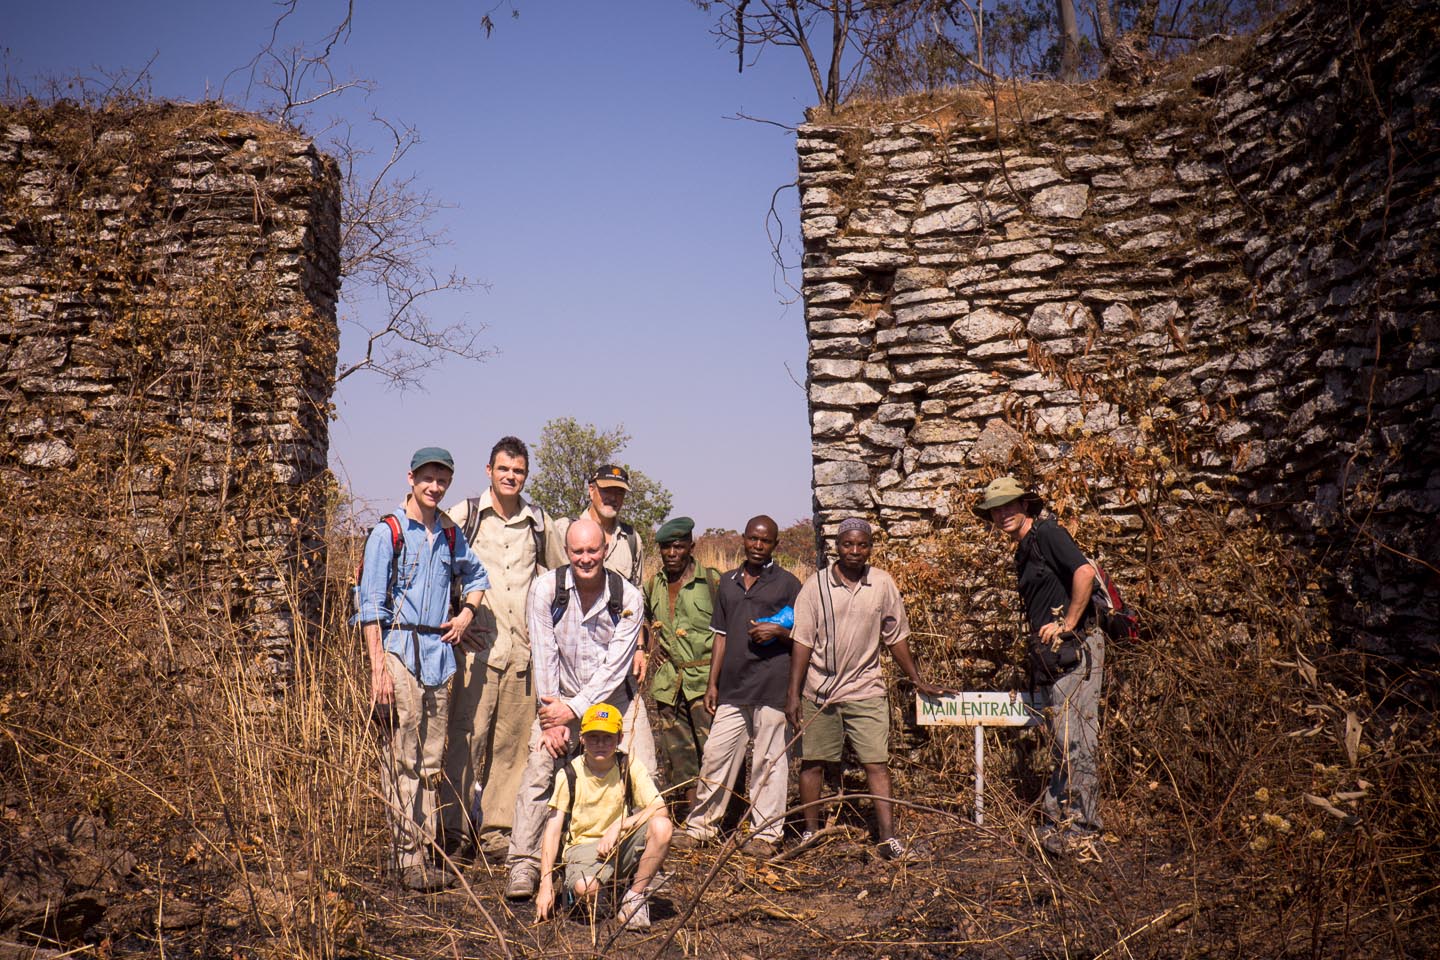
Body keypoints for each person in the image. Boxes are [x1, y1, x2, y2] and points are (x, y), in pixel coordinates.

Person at [354, 447, 490, 891]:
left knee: (431, 760)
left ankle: (426, 851)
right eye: (428, 478)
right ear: (411, 477)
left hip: (438, 652)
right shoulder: (389, 532)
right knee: (403, 756)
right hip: (399, 650)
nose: (435, 487)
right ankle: (406, 856)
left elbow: (478, 578)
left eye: (443, 480)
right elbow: (370, 607)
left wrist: (467, 614)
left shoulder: (450, 535)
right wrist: (378, 670)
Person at [786, 518, 950, 860]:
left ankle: (888, 838)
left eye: (862, 545)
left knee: (876, 763)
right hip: (820, 690)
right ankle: (810, 832)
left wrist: (916, 678)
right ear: (837, 546)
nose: (855, 551)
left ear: (869, 548)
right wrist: (794, 694)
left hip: (867, 689)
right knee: (813, 763)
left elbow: (896, 636)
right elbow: (802, 642)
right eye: (848, 544)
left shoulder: (882, 584)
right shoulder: (815, 587)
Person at [504, 518, 652, 900]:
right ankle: (524, 862)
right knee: (541, 764)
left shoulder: (629, 597)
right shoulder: (546, 589)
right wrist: (552, 718)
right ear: (567, 553)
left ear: (605, 550)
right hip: (558, 695)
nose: (585, 558)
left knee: (642, 768)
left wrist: (572, 711)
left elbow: (615, 667)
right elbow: (544, 652)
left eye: (593, 550)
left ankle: (639, 867)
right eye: (577, 551)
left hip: (615, 696)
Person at [439, 436, 566, 863]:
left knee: (512, 748)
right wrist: (457, 612)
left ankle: (496, 831)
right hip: (477, 652)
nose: (511, 477)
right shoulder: (466, 515)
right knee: (465, 741)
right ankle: (453, 831)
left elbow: (557, 576)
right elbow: (439, 565)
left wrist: (546, 631)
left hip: (522, 654)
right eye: (504, 469)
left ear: (525, 475)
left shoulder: (538, 521)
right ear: (489, 471)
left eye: (519, 471)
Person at [975, 476, 1105, 858]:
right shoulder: (1025, 548)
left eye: (1009, 505)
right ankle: (1058, 822)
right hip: (1054, 660)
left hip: (1076, 652)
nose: (1002, 514)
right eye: (995, 509)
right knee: (1062, 739)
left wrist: (1067, 624)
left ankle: (1082, 830)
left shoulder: (1048, 533)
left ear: (1025, 505)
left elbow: (1084, 573)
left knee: (1075, 740)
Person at [676, 516, 801, 857]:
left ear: (775, 545)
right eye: (753, 539)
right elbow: (720, 636)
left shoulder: (788, 584)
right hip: (733, 686)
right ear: (744, 540)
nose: (758, 546)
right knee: (717, 756)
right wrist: (712, 683)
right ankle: (701, 827)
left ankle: (765, 834)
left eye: (766, 541)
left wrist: (779, 632)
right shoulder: (728, 583)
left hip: (772, 684)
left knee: (768, 761)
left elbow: (804, 636)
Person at [535, 703, 672, 930]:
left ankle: (633, 897)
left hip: (619, 842)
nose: (600, 744)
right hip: (583, 847)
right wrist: (545, 883)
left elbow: (660, 808)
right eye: (593, 737)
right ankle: (607, 891)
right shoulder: (570, 773)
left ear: (619, 738)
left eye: (607, 737)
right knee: (586, 888)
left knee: (662, 826)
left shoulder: (628, 765)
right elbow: (552, 830)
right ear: (582, 738)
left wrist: (621, 825)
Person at [643, 517, 721, 820]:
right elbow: (642, 619)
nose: (672, 553)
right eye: (666, 548)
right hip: (668, 683)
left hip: (705, 681)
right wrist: (650, 646)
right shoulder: (653, 584)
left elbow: (726, 632)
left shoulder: (713, 582)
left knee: (713, 752)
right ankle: (691, 817)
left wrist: (719, 680)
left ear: (691, 546)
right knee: (680, 756)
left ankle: (719, 818)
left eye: (678, 546)